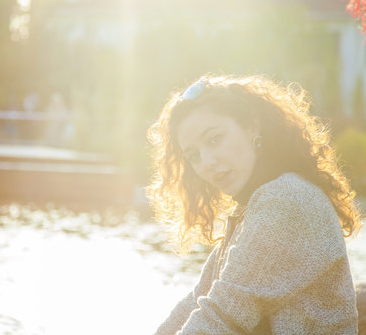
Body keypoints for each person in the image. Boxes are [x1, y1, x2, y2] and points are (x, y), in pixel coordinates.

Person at [146, 74, 362, 334]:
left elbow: (223, 315)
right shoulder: (254, 207)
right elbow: (196, 301)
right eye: (193, 155)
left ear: (252, 126)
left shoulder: (286, 200)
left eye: (214, 139)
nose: (207, 162)